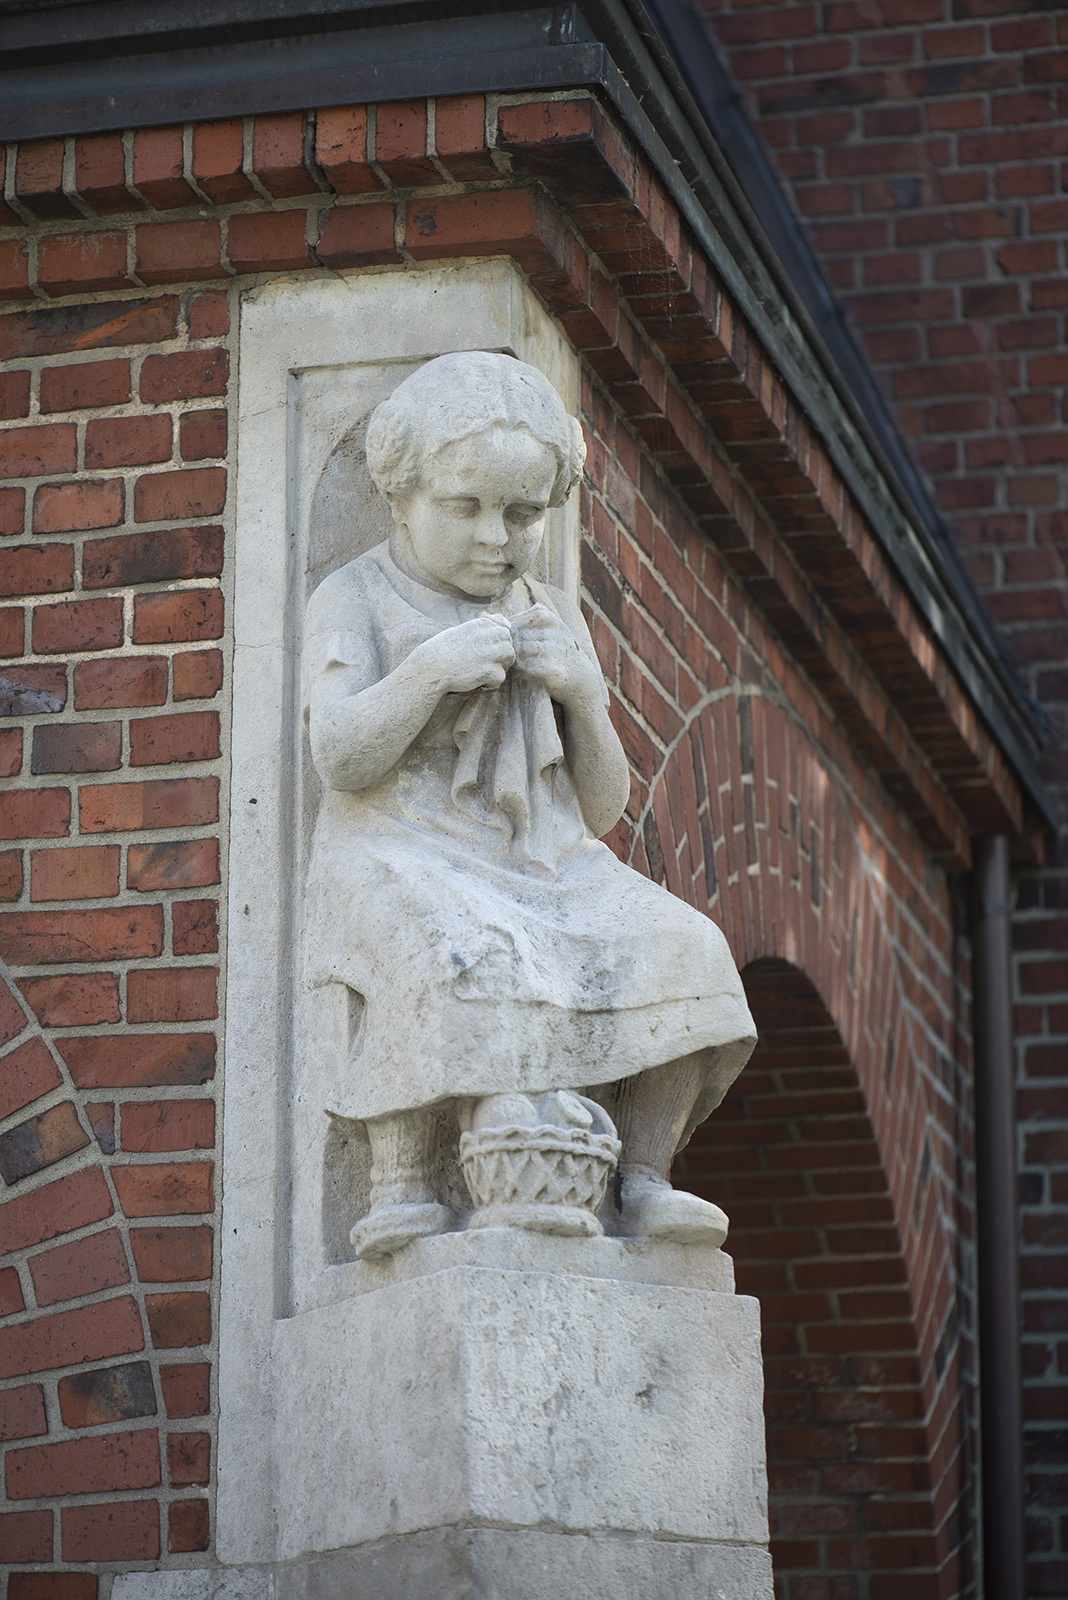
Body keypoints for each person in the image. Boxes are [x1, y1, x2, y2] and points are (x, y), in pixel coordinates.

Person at [302, 351, 756, 1258]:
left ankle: (642, 1173)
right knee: (457, 943)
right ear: (400, 497)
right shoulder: (354, 595)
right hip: (401, 847)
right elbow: (339, 755)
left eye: (522, 514)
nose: (494, 537)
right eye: (464, 507)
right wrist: (430, 672)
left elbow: (600, 806)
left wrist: (583, 693)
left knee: (688, 946)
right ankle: (406, 1180)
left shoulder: (546, 605)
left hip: (548, 862)